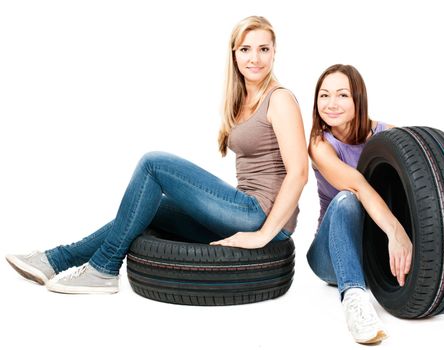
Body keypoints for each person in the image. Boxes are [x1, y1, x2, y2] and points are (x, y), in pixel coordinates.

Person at [6, 16, 308, 295]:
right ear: (234, 54)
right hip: (244, 212)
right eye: (245, 49)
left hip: (261, 215)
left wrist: (262, 235)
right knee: (154, 207)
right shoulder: (240, 101)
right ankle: (56, 260)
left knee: (154, 164)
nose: (254, 58)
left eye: (263, 49)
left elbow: (298, 173)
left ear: (274, 52)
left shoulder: (279, 99)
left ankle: (104, 268)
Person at [306, 64, 444, 344]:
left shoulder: (382, 133)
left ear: (358, 99)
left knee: (435, 204)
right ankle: (354, 299)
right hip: (333, 253)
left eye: (342, 95)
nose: (331, 104)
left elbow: (425, 170)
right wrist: (395, 230)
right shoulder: (320, 144)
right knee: (348, 200)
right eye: (324, 95)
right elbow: (357, 183)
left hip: (381, 253)